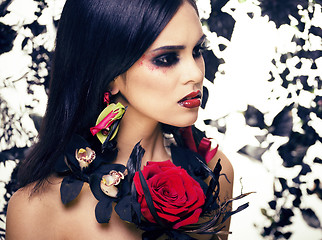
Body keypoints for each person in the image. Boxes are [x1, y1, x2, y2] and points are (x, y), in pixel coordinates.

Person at [5, 0, 235, 239]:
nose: (196, 74)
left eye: (197, 51)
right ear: (109, 73)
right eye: (166, 58)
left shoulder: (215, 173)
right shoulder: (38, 210)